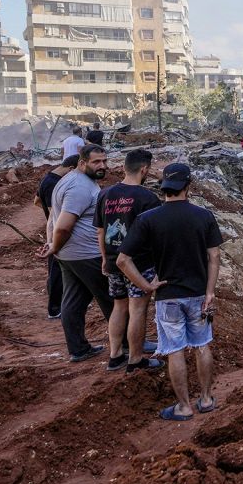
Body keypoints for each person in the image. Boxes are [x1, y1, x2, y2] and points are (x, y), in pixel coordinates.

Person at [117, 163, 223, 421]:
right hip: (198, 294)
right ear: (188, 186)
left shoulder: (148, 219)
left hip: (168, 296)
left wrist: (146, 285)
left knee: (175, 349)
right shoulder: (204, 216)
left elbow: (122, 260)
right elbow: (214, 256)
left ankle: (184, 406)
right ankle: (207, 399)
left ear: (164, 186)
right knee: (201, 344)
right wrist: (210, 292)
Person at [39, 144, 112, 363]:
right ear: (82, 163)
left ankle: (78, 348)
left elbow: (53, 218)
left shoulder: (69, 180)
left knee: (73, 301)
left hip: (69, 255)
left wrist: (55, 246)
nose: (102, 166)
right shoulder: (80, 187)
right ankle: (128, 344)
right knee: (112, 299)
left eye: (104, 161)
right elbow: (63, 225)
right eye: (96, 162)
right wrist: (54, 245)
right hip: (86, 254)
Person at [94, 149, 163, 373]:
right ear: (144, 169)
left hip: (114, 261)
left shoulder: (105, 194)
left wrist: (105, 259)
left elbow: (101, 231)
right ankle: (135, 359)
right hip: (139, 264)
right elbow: (156, 237)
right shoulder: (148, 199)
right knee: (138, 309)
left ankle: (115, 355)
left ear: (124, 167)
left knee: (119, 306)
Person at [33, 155, 77, 319]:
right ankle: (55, 308)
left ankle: (57, 305)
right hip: (57, 232)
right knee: (57, 271)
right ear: (72, 168)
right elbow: (54, 216)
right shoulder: (55, 184)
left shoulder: (47, 179)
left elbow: (36, 201)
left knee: (55, 271)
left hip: (55, 231)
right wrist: (52, 240)